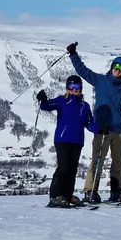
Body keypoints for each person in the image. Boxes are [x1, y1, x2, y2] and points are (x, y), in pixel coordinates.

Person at [66, 42, 121, 204]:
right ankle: (90, 191)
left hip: (118, 129)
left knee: (117, 163)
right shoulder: (100, 80)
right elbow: (82, 70)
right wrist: (73, 54)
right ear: (111, 66)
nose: (118, 69)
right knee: (97, 160)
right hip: (102, 128)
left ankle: (116, 191)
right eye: (116, 66)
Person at [37, 76, 102, 208]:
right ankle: (56, 196)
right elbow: (46, 106)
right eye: (71, 88)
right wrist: (42, 99)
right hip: (63, 139)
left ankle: (67, 195)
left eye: (77, 88)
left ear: (81, 89)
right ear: (67, 88)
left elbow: (89, 124)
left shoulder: (85, 106)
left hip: (77, 141)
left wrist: (100, 129)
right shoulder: (62, 101)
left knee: (72, 170)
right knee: (64, 168)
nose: (74, 90)